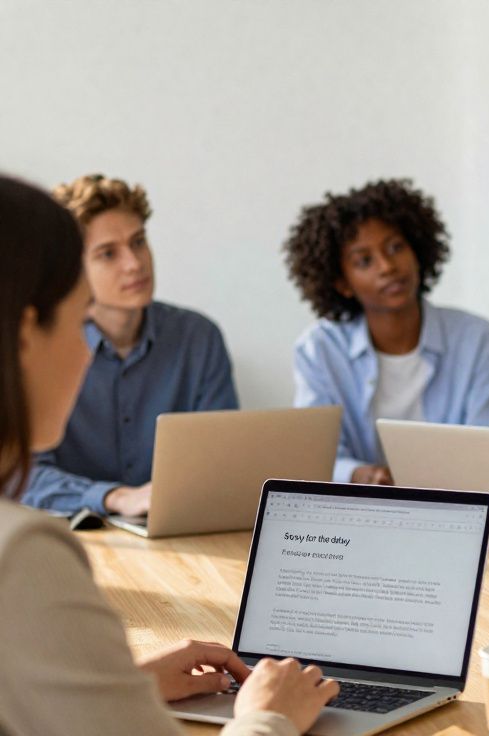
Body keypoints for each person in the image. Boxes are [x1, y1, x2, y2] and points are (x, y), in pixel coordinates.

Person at [0, 175, 338, 735]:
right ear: (27, 332)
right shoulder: (23, 557)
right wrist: (269, 717)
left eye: (139, 242)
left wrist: (124, 681)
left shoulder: (196, 337)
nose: (86, 357)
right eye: (78, 315)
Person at [22, 173, 238, 516]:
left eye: (138, 242)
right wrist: (116, 497)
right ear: (72, 269)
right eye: (108, 254)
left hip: (177, 532)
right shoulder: (44, 347)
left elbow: (225, 459)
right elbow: (22, 476)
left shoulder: (198, 338)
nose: (134, 264)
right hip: (78, 535)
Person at [284, 179, 489, 485]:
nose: (387, 266)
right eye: (365, 261)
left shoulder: (477, 339)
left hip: (454, 507)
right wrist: (361, 474)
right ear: (342, 283)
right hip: (358, 510)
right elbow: (315, 456)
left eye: (395, 247)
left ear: (417, 251)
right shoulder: (319, 349)